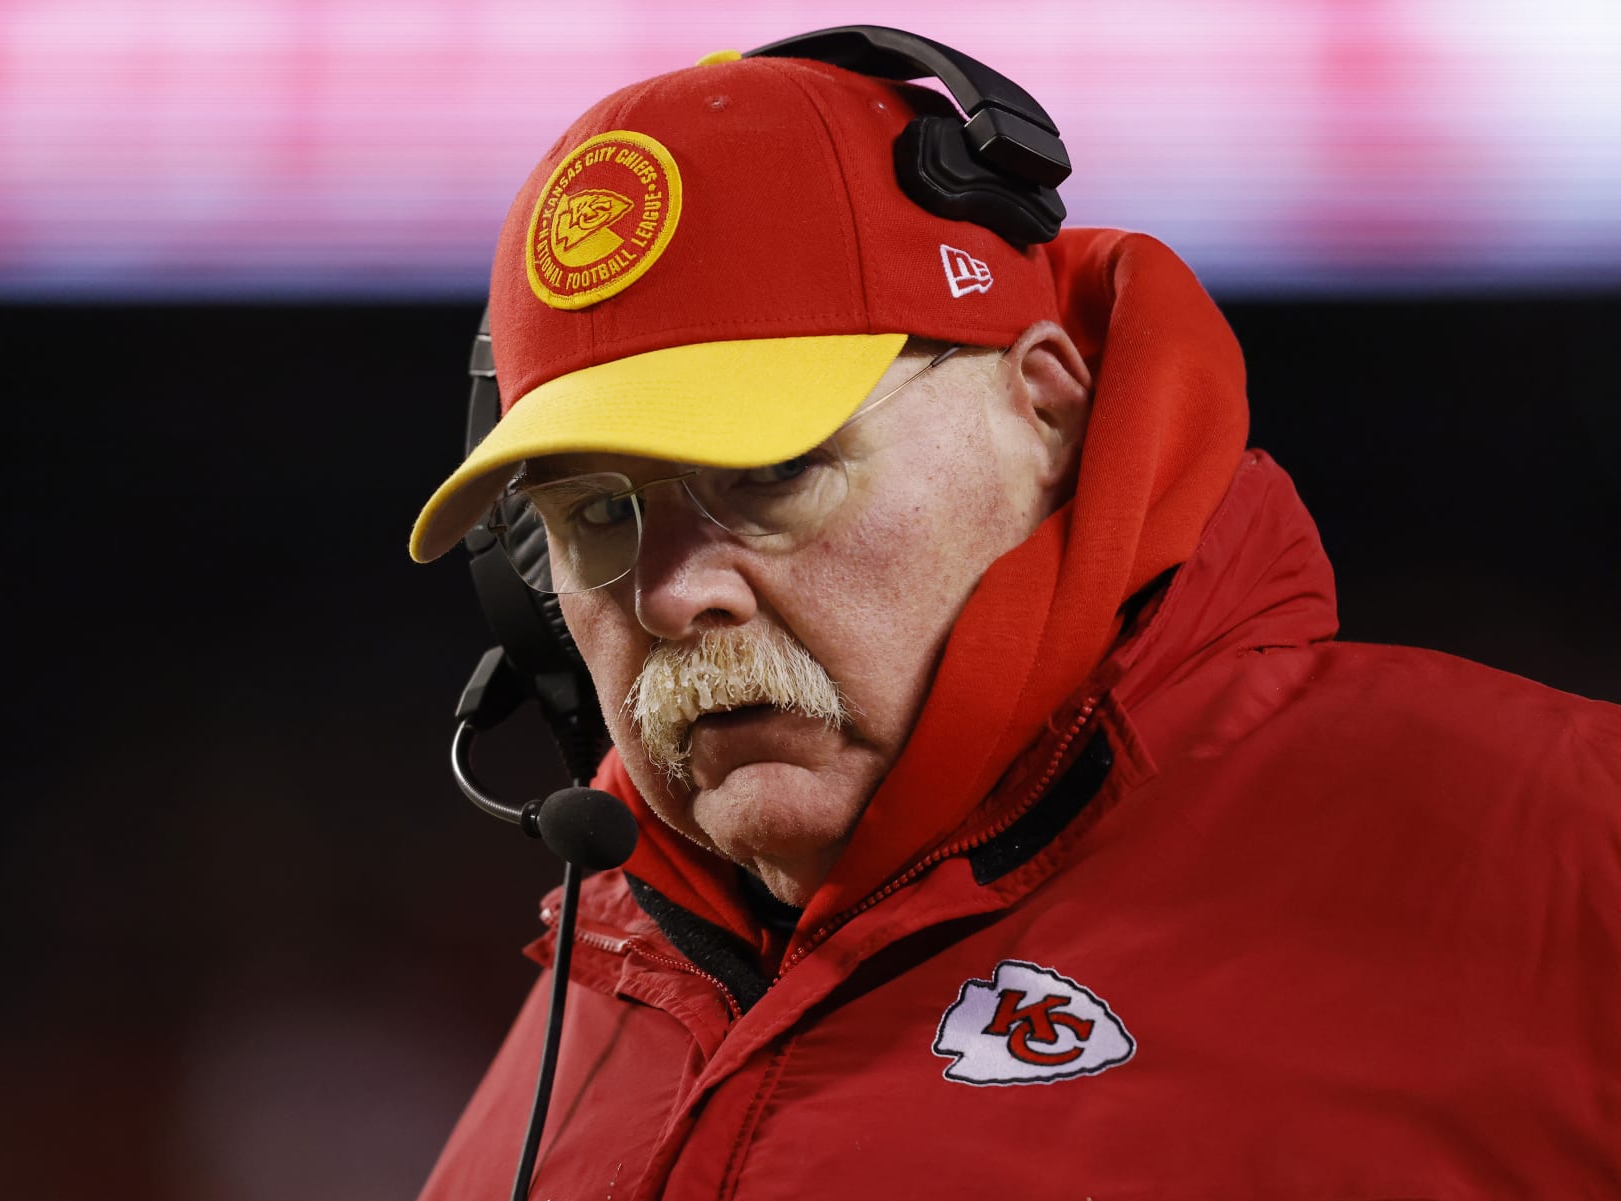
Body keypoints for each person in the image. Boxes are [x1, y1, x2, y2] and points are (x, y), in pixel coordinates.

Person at [406, 40, 1620, 1201]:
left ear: (1044, 409)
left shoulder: (1562, 852)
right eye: (595, 517)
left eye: (771, 473)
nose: (674, 594)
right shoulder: (581, 1020)